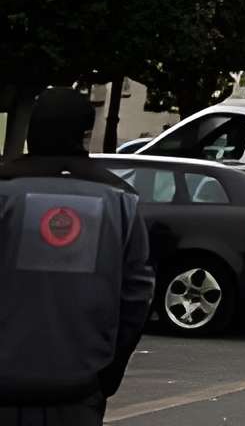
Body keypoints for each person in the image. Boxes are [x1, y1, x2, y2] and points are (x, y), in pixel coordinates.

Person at [0, 89, 153, 426]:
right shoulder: (121, 199)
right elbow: (136, 297)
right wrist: (106, 376)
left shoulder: (5, 188)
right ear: (85, 134)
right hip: (78, 389)